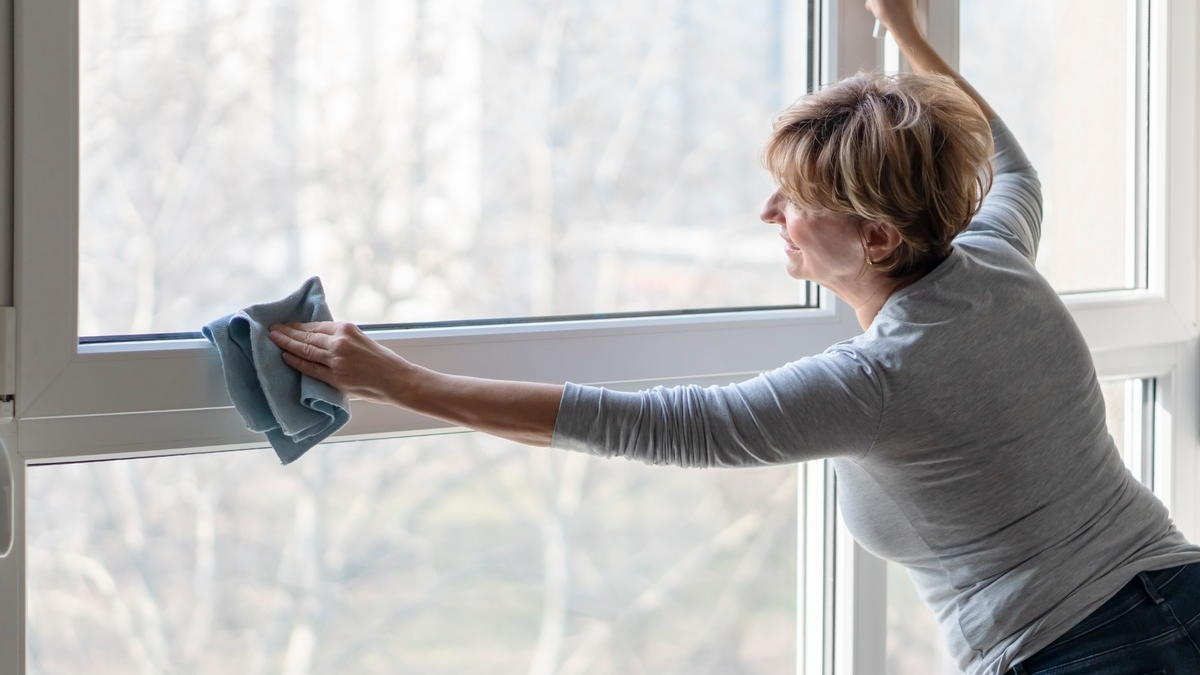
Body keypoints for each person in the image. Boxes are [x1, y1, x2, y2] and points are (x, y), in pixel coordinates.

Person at [269, 0, 1200, 673]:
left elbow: (655, 423)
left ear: (876, 236)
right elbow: (1009, 159)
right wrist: (912, 38)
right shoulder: (999, 258)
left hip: (1083, 652)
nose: (770, 213)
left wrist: (396, 378)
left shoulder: (883, 375)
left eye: (797, 202)